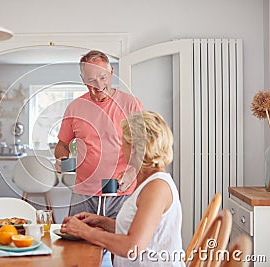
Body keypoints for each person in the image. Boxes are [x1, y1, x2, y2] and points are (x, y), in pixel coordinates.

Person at [60, 111, 185, 267]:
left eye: (123, 142)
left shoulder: (156, 188)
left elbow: (132, 246)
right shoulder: (151, 182)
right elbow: (139, 230)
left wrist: (85, 232)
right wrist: (102, 221)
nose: (121, 148)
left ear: (134, 148)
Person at [54, 50, 144, 219]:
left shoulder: (131, 104)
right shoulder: (75, 107)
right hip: (83, 194)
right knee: (76, 242)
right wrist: (61, 159)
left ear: (111, 72)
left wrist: (132, 172)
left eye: (103, 77)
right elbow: (62, 145)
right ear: (83, 80)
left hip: (121, 193)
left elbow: (143, 147)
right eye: (91, 80)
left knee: (118, 242)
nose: (98, 85)